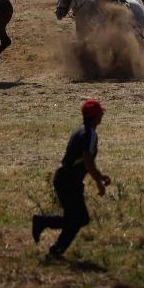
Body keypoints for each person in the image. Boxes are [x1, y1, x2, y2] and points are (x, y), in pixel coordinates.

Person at [32, 100, 111, 259]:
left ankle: (55, 250)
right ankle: (43, 223)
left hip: (66, 179)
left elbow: (83, 161)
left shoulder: (82, 130)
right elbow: (88, 160)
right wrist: (98, 182)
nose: (103, 115)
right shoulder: (89, 134)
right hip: (68, 181)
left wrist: (99, 176)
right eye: (101, 113)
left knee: (76, 219)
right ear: (95, 116)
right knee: (79, 219)